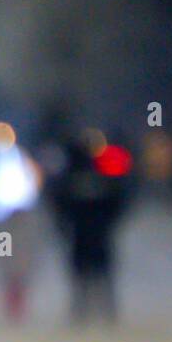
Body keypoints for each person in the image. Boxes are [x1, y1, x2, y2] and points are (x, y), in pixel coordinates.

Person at [47, 129, 130, 323]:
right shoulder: (80, 172)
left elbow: (118, 197)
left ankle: (93, 312)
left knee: (90, 275)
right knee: (93, 274)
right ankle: (92, 312)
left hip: (91, 230)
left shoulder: (85, 171)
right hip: (89, 230)